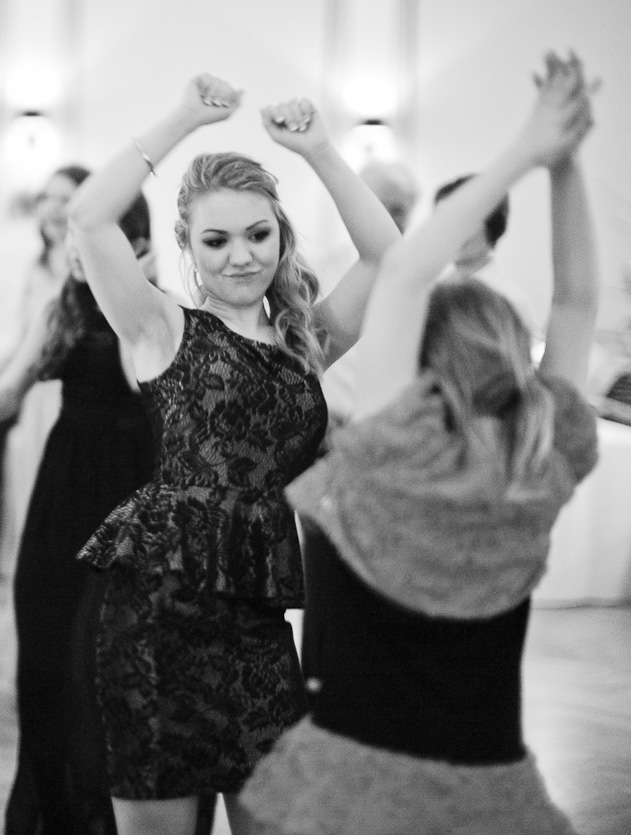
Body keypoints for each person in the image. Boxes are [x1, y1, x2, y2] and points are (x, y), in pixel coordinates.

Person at [240, 51, 598, 834]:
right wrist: (559, 161)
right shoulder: (536, 470)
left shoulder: (390, 460)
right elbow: (577, 304)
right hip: (488, 783)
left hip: (361, 780)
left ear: (425, 364)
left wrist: (534, 151)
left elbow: (404, 274)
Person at [66, 73, 400, 835]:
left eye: (259, 233)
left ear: (281, 234)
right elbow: (89, 217)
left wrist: (317, 148)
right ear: (187, 244)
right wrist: (182, 114)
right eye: (216, 239)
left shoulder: (306, 342)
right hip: (154, 622)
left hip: (254, 627)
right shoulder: (160, 328)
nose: (242, 256)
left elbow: (388, 252)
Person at [2, 193, 157, 835]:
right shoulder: (58, 305)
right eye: (68, 234)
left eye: (85, 233)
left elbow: (143, 384)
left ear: (133, 244)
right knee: (42, 647)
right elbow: (10, 390)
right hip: (61, 493)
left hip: (129, 491)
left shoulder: (153, 312)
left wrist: (131, 287)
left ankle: (104, 815)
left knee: (102, 658)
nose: (71, 246)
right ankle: (47, 812)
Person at [301, 158, 420, 698]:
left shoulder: (424, 276)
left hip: (393, 442)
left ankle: (382, 686)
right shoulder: (315, 270)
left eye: (399, 209)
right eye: (380, 206)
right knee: (325, 575)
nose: (390, 218)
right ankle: (324, 687)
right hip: (325, 440)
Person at [0, 165, 91, 578]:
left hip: (71, 393)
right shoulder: (33, 266)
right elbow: (20, 336)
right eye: (48, 198)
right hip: (32, 394)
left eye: (66, 197)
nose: (54, 208)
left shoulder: (91, 265)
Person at [434, 171, 543, 348]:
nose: (452, 230)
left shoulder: (510, 299)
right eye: (443, 218)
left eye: (465, 219)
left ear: (493, 223)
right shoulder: (432, 290)